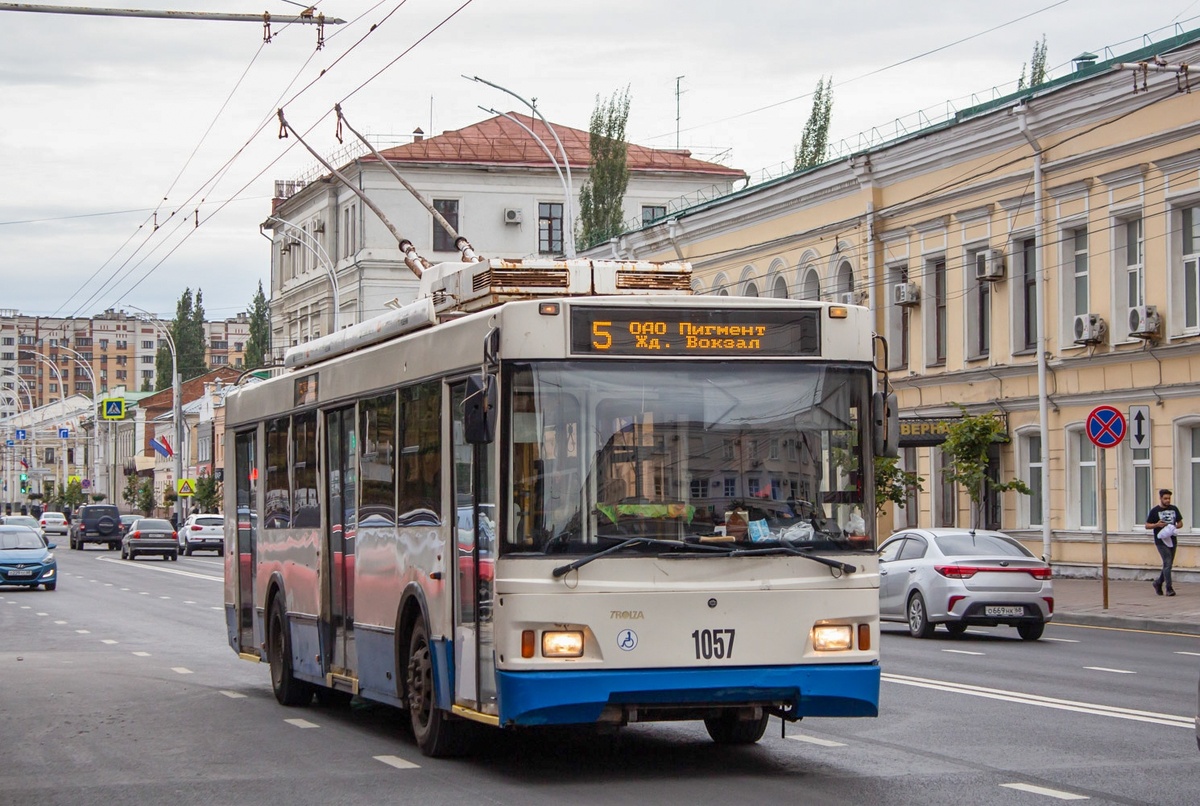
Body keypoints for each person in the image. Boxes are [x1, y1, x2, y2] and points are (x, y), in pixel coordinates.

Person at [1145, 488, 1184, 596]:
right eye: (1165, 498)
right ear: (1161, 498)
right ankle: (1169, 588)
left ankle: (1158, 583)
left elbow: (1180, 523)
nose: (1167, 500)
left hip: (1172, 539)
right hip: (1161, 541)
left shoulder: (1174, 509)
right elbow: (1147, 525)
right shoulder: (1155, 511)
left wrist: (1174, 526)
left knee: (1169, 564)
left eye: (1169, 498)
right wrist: (1157, 525)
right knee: (1167, 562)